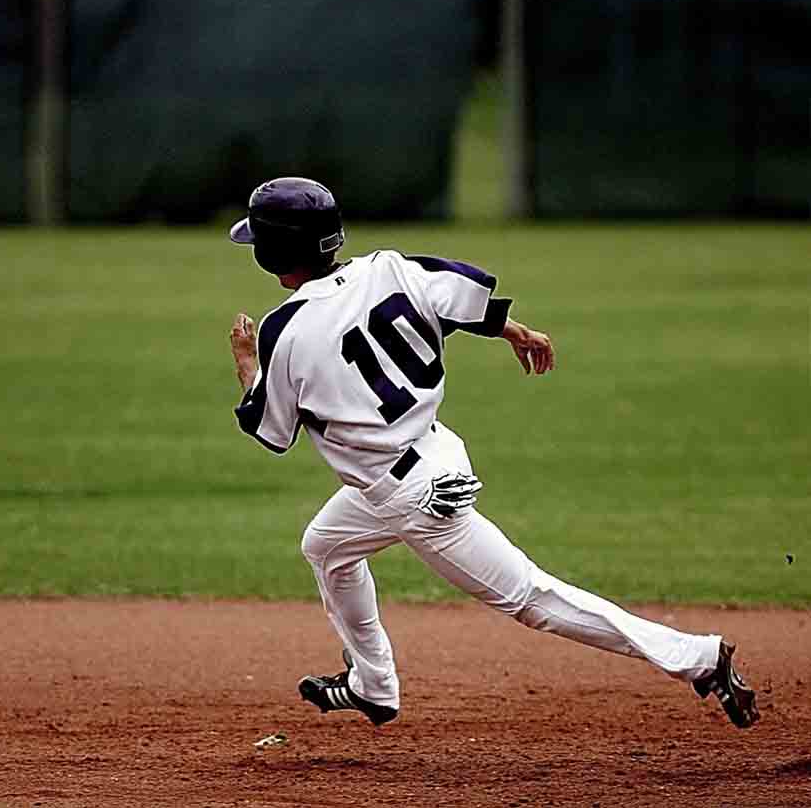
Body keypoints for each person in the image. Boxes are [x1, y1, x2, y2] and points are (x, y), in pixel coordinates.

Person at [226, 176, 759, 730]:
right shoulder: (389, 267)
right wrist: (515, 331)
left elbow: (272, 430)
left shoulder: (282, 331)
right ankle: (374, 685)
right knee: (327, 548)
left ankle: (697, 657)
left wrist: (247, 362)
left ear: (271, 252)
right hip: (428, 457)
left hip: (408, 495)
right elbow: (461, 295)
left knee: (533, 598)